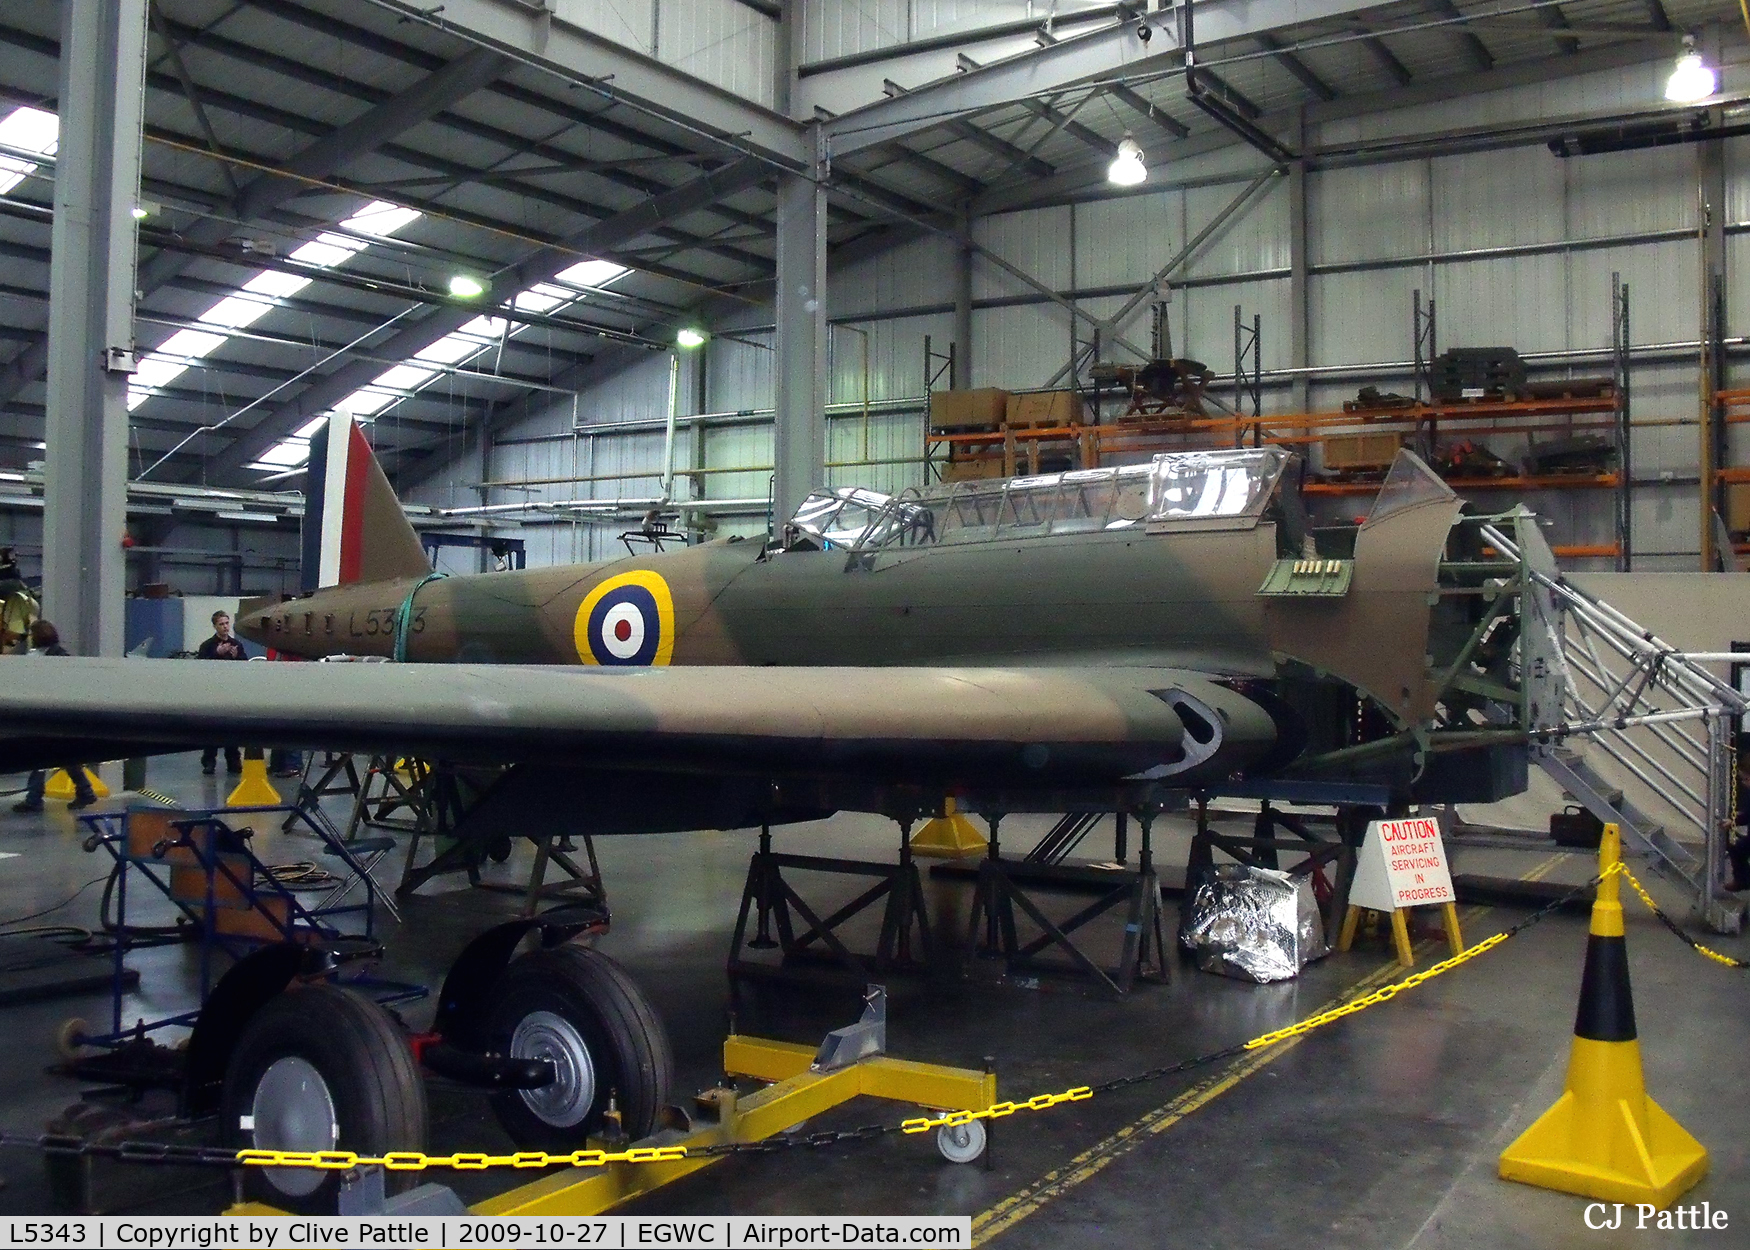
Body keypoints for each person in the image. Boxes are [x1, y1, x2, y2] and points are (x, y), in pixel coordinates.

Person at [12, 620, 97, 813]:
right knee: (61, 754)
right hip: (55, 714)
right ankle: (84, 791)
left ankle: (34, 798)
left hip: (48, 714)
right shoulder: (57, 655)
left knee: (42, 754)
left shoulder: (46, 658)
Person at [197, 609, 246, 775]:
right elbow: (201, 667)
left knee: (232, 730)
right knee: (211, 731)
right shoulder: (207, 646)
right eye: (221, 624)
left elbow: (245, 666)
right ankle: (209, 762)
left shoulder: (237, 645)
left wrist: (236, 657)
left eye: (226, 623)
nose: (225, 627)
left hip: (231, 693)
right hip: (213, 693)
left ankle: (233, 761)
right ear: (215, 626)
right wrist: (216, 654)